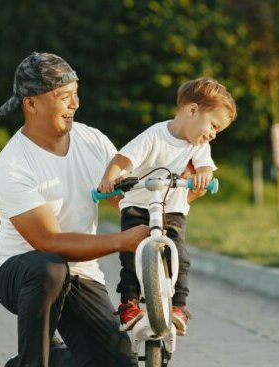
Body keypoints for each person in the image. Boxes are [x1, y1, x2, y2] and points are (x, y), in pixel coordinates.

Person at [0, 51, 150, 367]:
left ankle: (44, 360)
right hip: (22, 272)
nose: (75, 104)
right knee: (50, 266)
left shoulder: (93, 142)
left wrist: (173, 195)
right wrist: (120, 242)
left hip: (80, 274)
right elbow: (48, 242)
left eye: (76, 93)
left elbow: (125, 202)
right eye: (64, 96)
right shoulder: (14, 163)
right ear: (30, 104)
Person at [98, 77, 237, 336]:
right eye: (213, 125)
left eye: (218, 131)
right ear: (192, 110)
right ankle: (129, 303)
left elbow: (205, 167)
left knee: (180, 256)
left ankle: (178, 307)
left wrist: (203, 176)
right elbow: (123, 158)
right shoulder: (154, 135)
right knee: (130, 253)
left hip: (171, 208)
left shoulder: (199, 145)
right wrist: (110, 177)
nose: (213, 134)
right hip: (138, 206)